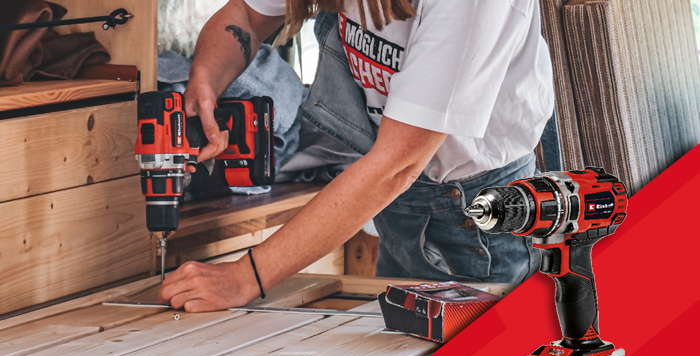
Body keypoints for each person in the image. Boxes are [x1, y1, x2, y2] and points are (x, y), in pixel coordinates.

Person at [159, 0, 554, 312]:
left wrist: (246, 277)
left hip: (476, 223)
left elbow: (396, 164)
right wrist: (206, 80)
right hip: (401, 207)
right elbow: (245, 13)